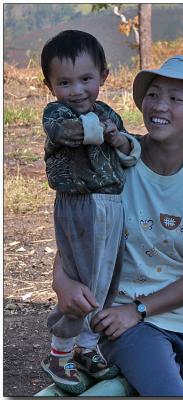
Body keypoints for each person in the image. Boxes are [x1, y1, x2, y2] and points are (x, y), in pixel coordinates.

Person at [51, 55, 183, 396]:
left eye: (175, 98)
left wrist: (139, 310)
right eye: (154, 94)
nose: (160, 105)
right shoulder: (112, 162)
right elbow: (77, 231)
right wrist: (62, 281)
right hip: (118, 317)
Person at [40, 30, 140, 394]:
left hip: (111, 205)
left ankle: (86, 346)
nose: (77, 90)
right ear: (50, 86)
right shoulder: (57, 114)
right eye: (65, 82)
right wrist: (102, 132)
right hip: (79, 204)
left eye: (86, 79)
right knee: (81, 280)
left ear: (104, 77)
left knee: (104, 280)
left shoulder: (106, 112)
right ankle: (60, 349)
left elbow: (131, 151)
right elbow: (69, 133)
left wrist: (121, 140)